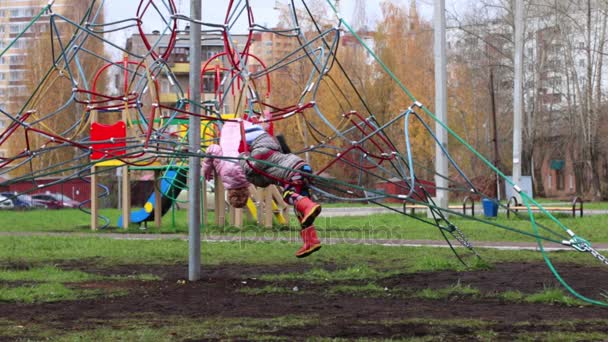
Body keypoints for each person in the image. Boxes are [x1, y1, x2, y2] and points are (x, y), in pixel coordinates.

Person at [239, 124, 322, 258]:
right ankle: (311, 241)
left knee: (288, 195)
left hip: (293, 172)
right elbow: (263, 182)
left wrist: (241, 157)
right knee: (300, 211)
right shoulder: (270, 151)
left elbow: (250, 168)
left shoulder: (261, 152)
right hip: (301, 168)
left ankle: (310, 206)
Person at [202, 144, 251, 209]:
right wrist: (206, 169)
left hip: (242, 140)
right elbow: (213, 148)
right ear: (229, 195)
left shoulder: (249, 175)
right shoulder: (223, 173)